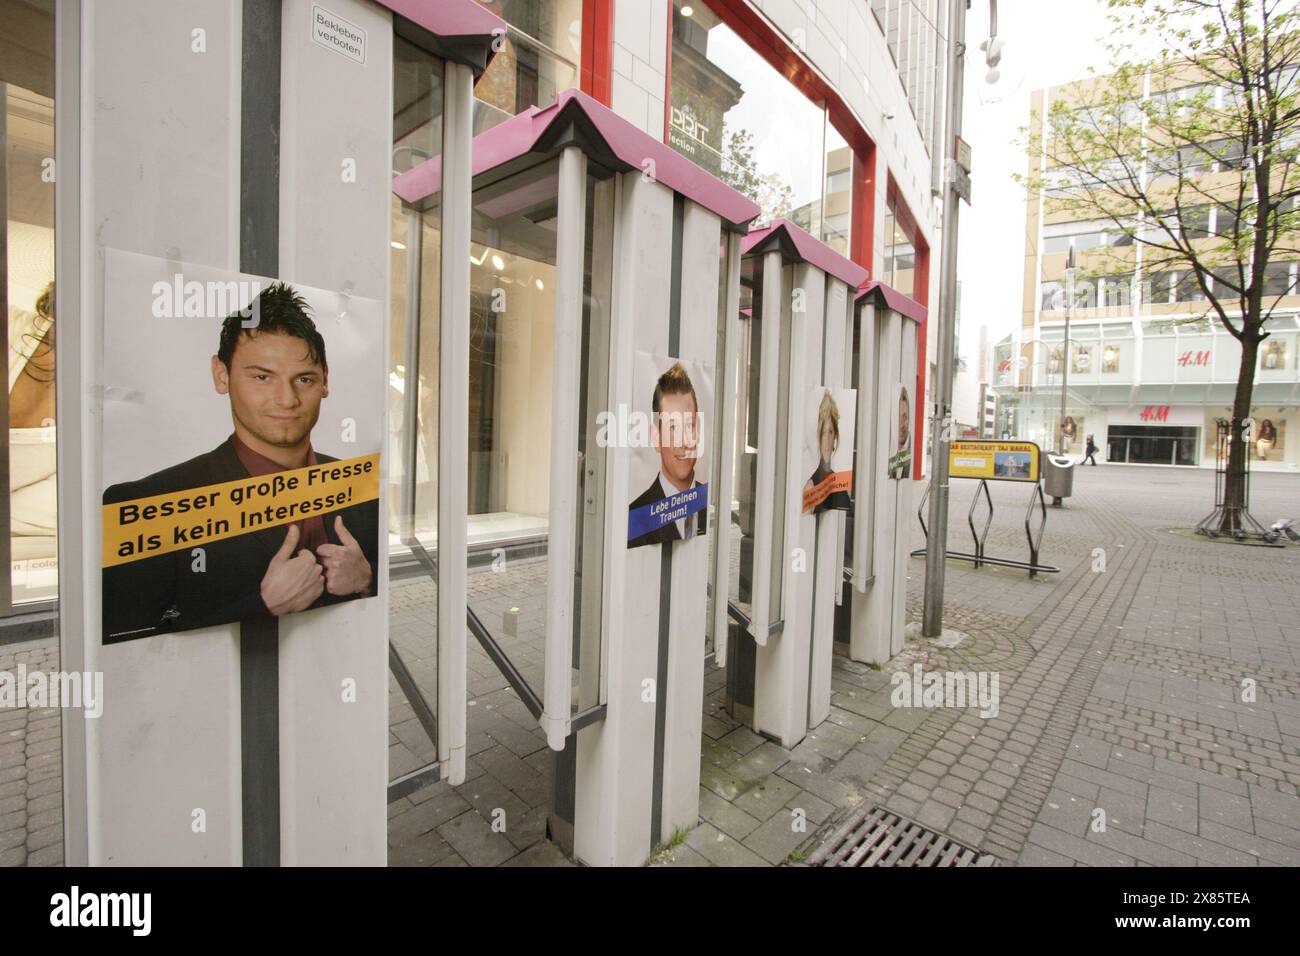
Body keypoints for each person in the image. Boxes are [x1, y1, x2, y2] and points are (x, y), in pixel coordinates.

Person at [102, 282, 379, 642]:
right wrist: (261, 605)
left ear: (324, 381)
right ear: (221, 375)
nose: (287, 399)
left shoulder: (359, 486)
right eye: (262, 377)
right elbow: (123, 646)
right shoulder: (143, 504)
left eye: (304, 379)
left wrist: (366, 580)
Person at [628, 361, 707, 548]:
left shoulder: (704, 502)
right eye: (673, 428)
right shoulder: (637, 517)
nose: (686, 441)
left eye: (689, 426)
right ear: (656, 437)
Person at [803, 389, 850, 513]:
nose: (827, 440)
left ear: (835, 435)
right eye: (823, 432)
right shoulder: (810, 486)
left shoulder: (839, 486)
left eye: (830, 432)